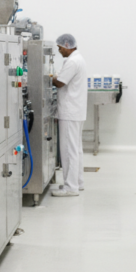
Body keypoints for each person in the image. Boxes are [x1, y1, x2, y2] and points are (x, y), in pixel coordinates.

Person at [51, 33, 88, 198]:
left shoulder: (73, 61)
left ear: (67, 45)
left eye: (60, 48)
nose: (59, 51)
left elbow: (60, 83)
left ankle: (70, 187)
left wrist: (50, 77)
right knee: (76, 149)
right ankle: (77, 182)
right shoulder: (77, 59)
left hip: (70, 111)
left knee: (69, 150)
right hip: (76, 111)